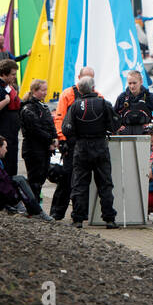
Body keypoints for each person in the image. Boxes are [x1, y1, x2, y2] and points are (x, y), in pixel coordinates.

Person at [63, 76, 118, 228]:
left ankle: (78, 219)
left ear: (80, 90)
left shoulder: (74, 106)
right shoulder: (104, 103)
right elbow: (115, 124)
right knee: (105, 183)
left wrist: (77, 136)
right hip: (100, 146)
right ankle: (109, 219)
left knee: (80, 184)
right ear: (94, 87)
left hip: (82, 148)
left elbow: (66, 129)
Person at [49, 65, 96, 220]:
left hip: (89, 144)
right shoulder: (68, 94)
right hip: (71, 142)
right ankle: (57, 212)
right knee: (67, 178)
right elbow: (59, 118)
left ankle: (83, 212)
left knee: (86, 179)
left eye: (91, 78)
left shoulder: (98, 96)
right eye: (86, 77)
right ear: (79, 78)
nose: (88, 81)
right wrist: (62, 139)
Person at [0, 135, 49, 218]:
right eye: (5, 147)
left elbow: (3, 180)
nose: (6, 150)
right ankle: (36, 211)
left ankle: (34, 210)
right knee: (19, 181)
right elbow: (1, 183)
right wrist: (15, 199)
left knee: (20, 180)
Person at [20, 79, 56, 206]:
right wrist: (50, 139)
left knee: (40, 179)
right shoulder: (28, 108)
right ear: (34, 91)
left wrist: (54, 138)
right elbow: (35, 129)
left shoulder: (42, 106)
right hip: (33, 149)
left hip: (43, 147)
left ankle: (36, 206)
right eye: (43, 90)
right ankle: (33, 207)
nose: (45, 93)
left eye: (46, 90)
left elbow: (50, 124)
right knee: (35, 179)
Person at [113, 69, 153, 135]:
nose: (132, 86)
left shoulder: (149, 96)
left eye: (134, 83)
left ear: (141, 82)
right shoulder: (122, 97)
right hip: (126, 134)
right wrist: (117, 126)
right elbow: (113, 115)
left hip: (145, 135)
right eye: (130, 83)